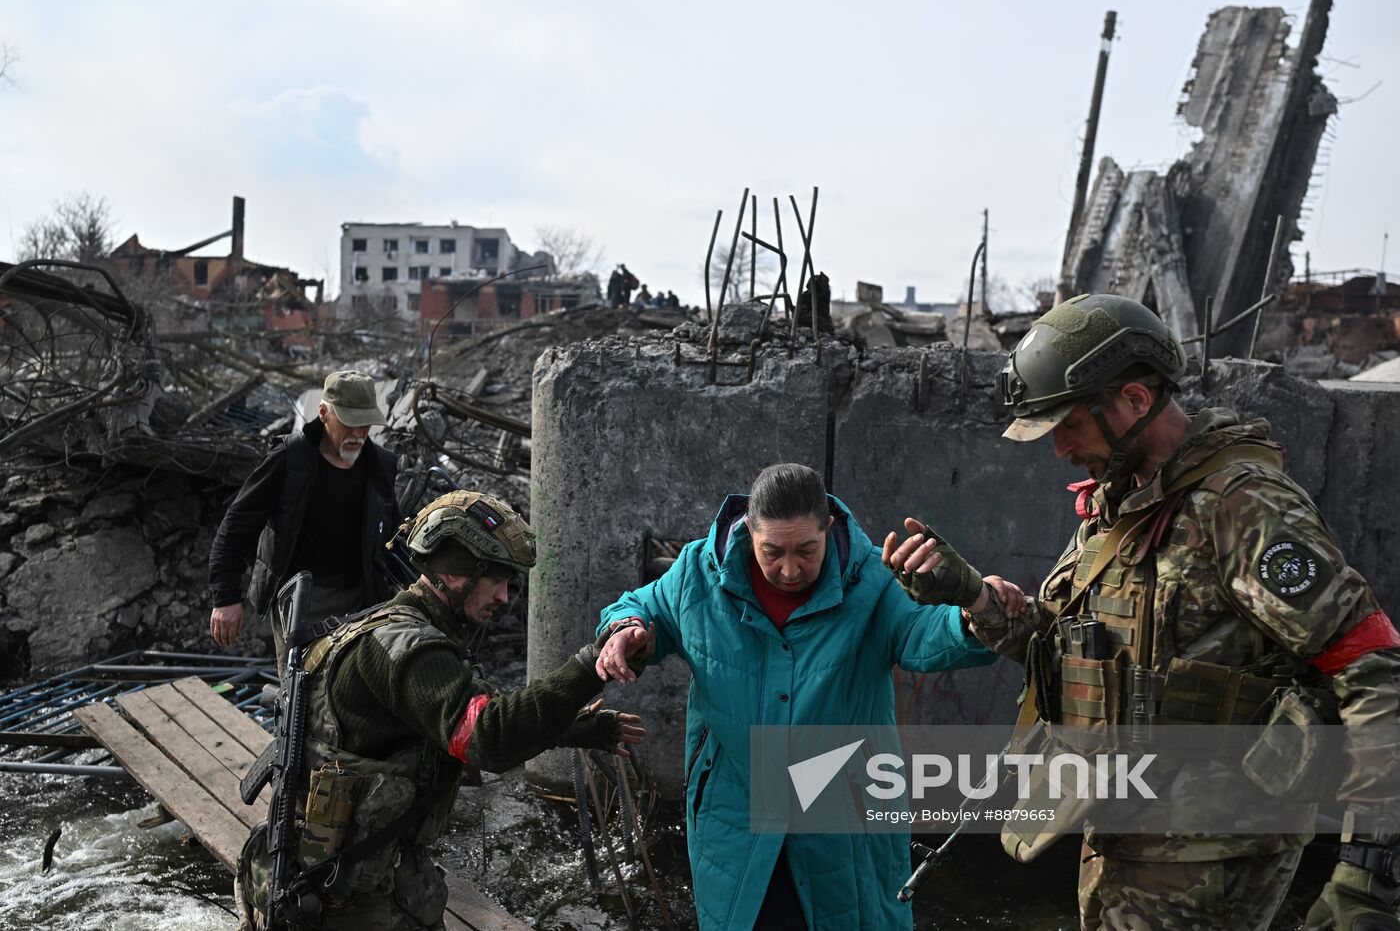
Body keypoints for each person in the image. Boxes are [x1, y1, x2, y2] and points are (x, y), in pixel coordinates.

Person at [883, 293, 1400, 931]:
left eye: (1068, 424)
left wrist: (1368, 871)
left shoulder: (1242, 506)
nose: (1059, 450)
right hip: (1122, 820)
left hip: (1212, 843)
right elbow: (1065, 655)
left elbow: (1373, 670)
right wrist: (973, 596)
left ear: (1132, 401)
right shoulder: (1122, 508)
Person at [592, 463, 999, 930]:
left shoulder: (872, 580)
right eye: (772, 551)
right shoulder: (697, 574)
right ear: (749, 532)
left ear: (829, 528)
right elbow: (641, 608)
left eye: (807, 549)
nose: (789, 569)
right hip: (735, 811)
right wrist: (626, 631)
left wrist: (976, 611)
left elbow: (924, 632)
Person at [236, 490, 647, 930]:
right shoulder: (411, 651)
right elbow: (487, 739)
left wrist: (568, 728)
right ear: (455, 574)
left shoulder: (390, 626)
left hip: (338, 882)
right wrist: (590, 666)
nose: (506, 598)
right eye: (499, 580)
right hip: (346, 903)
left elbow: (443, 725)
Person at [208, 370, 399, 669]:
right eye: (350, 423)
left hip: (363, 602)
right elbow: (237, 526)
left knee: (358, 696)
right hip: (302, 602)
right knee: (302, 700)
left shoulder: (380, 466)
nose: (359, 434)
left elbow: (392, 537)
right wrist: (225, 597)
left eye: (366, 425)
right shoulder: (290, 458)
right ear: (323, 413)